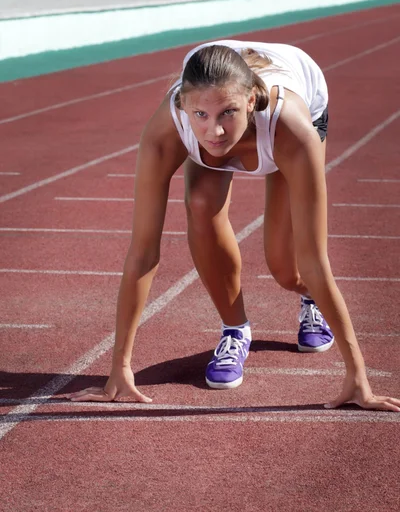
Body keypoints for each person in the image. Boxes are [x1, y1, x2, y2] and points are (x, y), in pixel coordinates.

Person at [68, 39, 400, 411]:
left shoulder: (290, 127)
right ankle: (235, 330)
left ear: (251, 101)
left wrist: (359, 378)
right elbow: (143, 253)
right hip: (218, 88)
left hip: (292, 109)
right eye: (201, 116)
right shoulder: (171, 127)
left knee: (286, 269)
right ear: (183, 107)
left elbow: (316, 259)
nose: (215, 132)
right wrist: (120, 369)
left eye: (228, 112)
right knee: (199, 203)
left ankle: (310, 300)